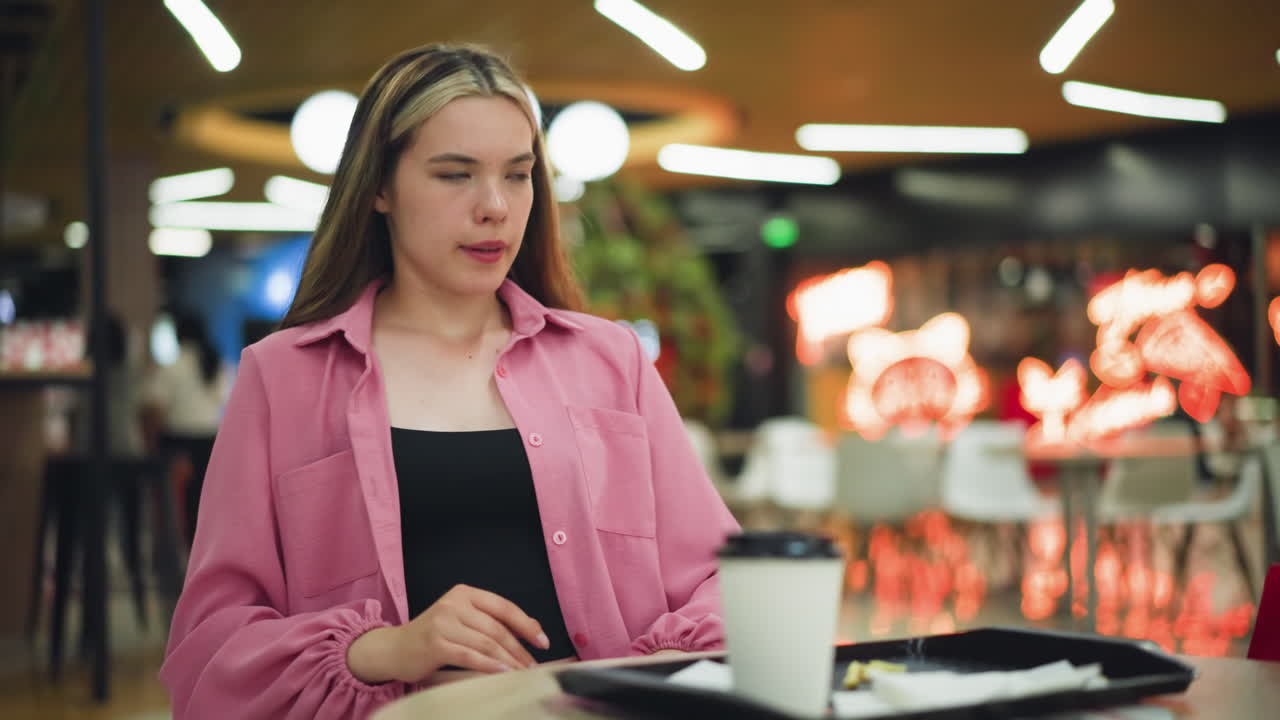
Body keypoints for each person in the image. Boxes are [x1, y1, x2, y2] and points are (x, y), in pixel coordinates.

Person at [159, 43, 740, 719]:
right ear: (379, 187)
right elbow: (210, 645)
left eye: (518, 176)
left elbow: (719, 579)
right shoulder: (283, 377)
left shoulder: (611, 362)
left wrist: (639, 674)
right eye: (454, 175)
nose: (494, 206)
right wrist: (380, 649)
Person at [141, 310, 230, 546]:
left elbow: (155, 407)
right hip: (210, 440)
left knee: (177, 504)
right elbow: (223, 400)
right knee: (204, 502)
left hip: (178, 441)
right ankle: (204, 548)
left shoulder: (172, 366)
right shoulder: (216, 363)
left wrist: (150, 441)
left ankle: (181, 550)